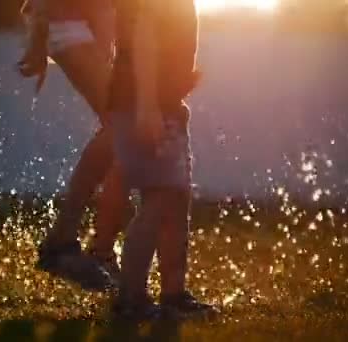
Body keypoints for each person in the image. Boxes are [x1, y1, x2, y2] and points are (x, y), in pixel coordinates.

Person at [106, 0, 218, 319]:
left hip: (162, 104)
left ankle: (173, 295)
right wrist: (147, 105)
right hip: (147, 104)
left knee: (175, 199)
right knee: (159, 198)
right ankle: (131, 299)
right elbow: (143, 35)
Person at [17, 0, 128, 291]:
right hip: (73, 23)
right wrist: (40, 29)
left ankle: (99, 249)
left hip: (89, 22)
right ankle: (65, 242)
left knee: (122, 136)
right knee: (122, 127)